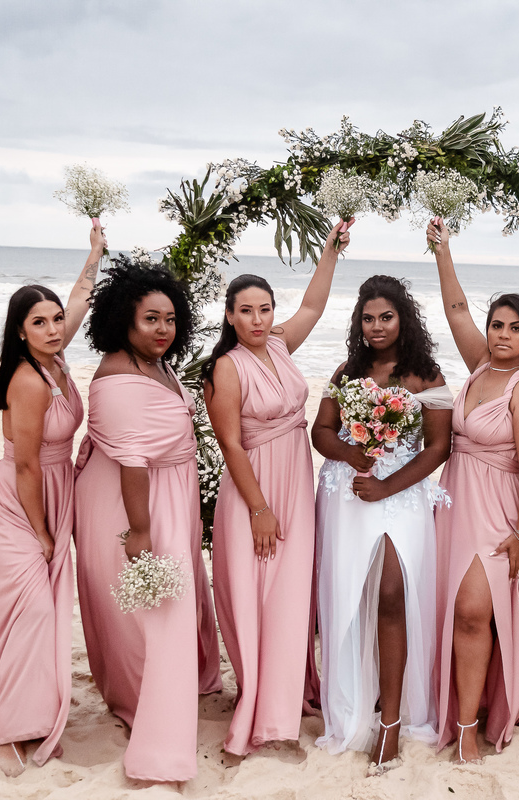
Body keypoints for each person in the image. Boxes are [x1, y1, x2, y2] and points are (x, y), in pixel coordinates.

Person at [73, 255, 222, 782]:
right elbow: (132, 461)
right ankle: (145, 701)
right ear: (124, 321)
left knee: (163, 601)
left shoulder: (155, 364)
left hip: (166, 493)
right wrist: (140, 530)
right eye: (150, 319)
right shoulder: (117, 376)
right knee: (149, 608)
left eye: (170, 319)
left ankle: (174, 685)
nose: (163, 330)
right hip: (132, 501)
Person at [204, 221, 350, 757]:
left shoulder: (281, 344)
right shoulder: (227, 367)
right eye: (246, 311)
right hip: (256, 491)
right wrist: (259, 508)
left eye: (264, 309)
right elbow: (231, 444)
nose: (258, 320)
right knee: (259, 597)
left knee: (290, 597)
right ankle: (265, 713)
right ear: (229, 315)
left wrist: (330, 251)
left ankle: (286, 696)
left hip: (296, 482)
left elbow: (312, 305)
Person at [311, 275, 453, 771]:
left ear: (403, 318)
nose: (376, 327)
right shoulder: (347, 371)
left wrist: (387, 486)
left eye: (386, 317)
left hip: (401, 492)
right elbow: (320, 431)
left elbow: (439, 447)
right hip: (349, 492)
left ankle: (391, 720)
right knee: (351, 599)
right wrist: (351, 454)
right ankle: (356, 702)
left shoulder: (426, 376)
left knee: (393, 593)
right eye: (368, 318)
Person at [0, 225, 102, 776]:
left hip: (53, 492)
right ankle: (9, 731)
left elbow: (79, 298)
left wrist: (95, 253)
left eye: (55, 320)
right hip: (18, 505)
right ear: (20, 332)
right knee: (28, 612)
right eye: (39, 323)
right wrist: (43, 532)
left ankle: (33, 716)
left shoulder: (56, 357)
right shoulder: (27, 381)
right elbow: (26, 465)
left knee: (43, 615)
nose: (53, 329)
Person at [426, 217, 519, 763]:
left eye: (514, 328)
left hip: (498, 513)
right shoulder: (479, 369)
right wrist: (442, 251)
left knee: (475, 612)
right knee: (451, 610)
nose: (501, 334)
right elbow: (456, 310)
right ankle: (452, 706)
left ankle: (470, 727)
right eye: (497, 324)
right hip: (454, 501)